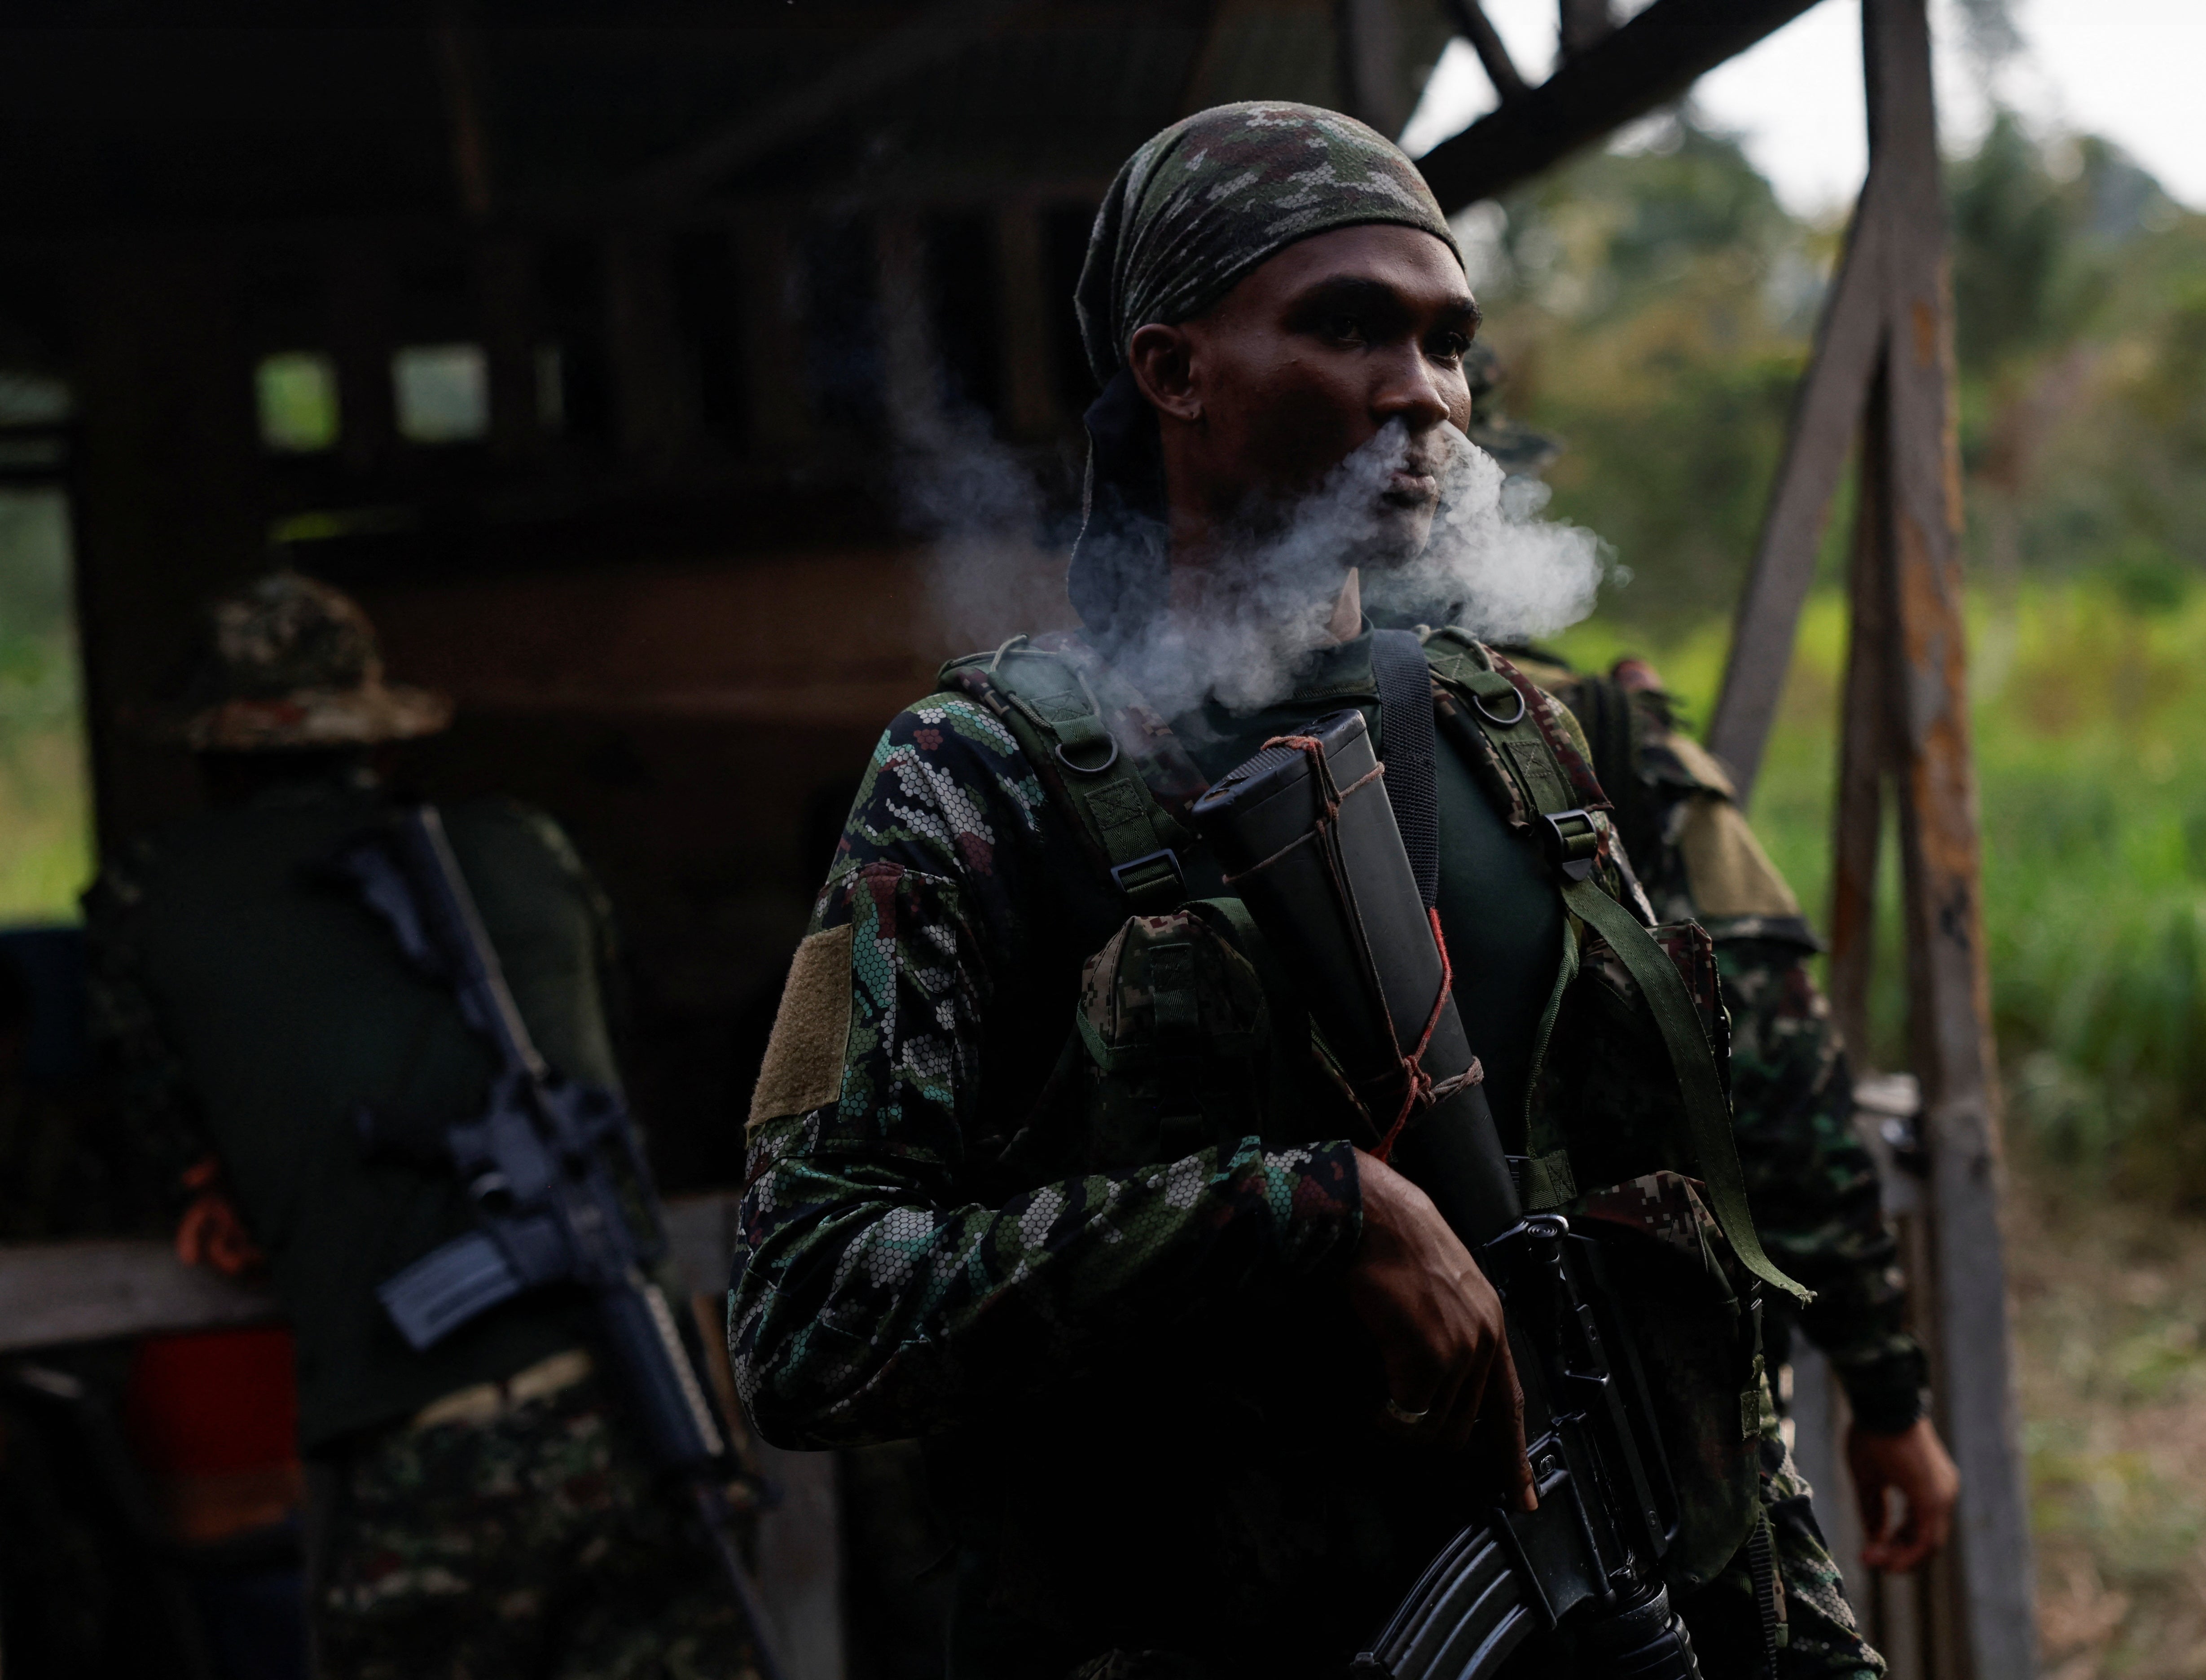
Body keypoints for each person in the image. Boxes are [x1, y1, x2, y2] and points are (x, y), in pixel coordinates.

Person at [732, 103, 1880, 1679]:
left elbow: (1680, 1316)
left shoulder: (1519, 741)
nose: (1423, 393)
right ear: (1175, 370)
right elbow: (808, 1317)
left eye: (1448, 342)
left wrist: (1813, 1648)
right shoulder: (978, 776)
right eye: (1348, 328)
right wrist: (1300, 1213)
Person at [84, 572, 760, 1680]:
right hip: (646, 1415)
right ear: (381, 741)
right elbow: (607, 1044)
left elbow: (169, 1143)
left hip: (424, 1455)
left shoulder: (151, 898)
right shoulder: (527, 848)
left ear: (210, 754)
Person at [1528, 655, 1961, 1577]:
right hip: (1629, 1401)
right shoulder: (1584, 734)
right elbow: (1775, 1098)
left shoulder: (1191, 715)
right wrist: (1886, 1396)